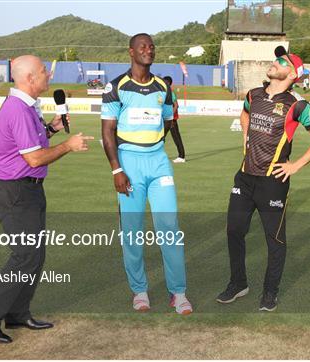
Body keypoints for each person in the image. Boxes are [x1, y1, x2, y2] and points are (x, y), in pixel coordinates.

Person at [0, 55, 93, 343]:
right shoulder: (17, 109)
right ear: (29, 78)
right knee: (25, 255)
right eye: (43, 72)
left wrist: (51, 129)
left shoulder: (25, 107)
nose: (48, 77)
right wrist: (68, 145)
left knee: (35, 256)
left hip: (28, 190)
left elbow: (28, 146)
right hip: (17, 192)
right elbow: (35, 157)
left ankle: (17, 313)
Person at [216, 46, 310, 311]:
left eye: (281, 61)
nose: (274, 62)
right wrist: (245, 137)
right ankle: (238, 283)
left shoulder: (298, 105)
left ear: (292, 74)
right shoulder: (253, 94)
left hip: (273, 183)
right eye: (276, 58)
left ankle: (270, 291)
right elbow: (245, 113)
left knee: (275, 240)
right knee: (234, 231)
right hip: (244, 178)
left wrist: (296, 165)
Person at [101, 33, 192, 315]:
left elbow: (167, 121)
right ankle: (139, 291)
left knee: (170, 229)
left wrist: (153, 144)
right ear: (131, 52)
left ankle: (178, 293)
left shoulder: (163, 87)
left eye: (151, 46)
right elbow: (107, 132)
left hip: (158, 161)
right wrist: (117, 168)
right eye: (142, 46)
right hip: (128, 163)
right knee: (132, 231)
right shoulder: (116, 86)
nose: (148, 50)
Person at [163, 76, 186, 163]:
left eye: (164, 82)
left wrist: (171, 116)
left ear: (168, 83)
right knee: (161, 137)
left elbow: (176, 105)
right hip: (166, 120)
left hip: (172, 120)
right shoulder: (165, 92)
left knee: (176, 137)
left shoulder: (170, 92)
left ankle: (181, 156)